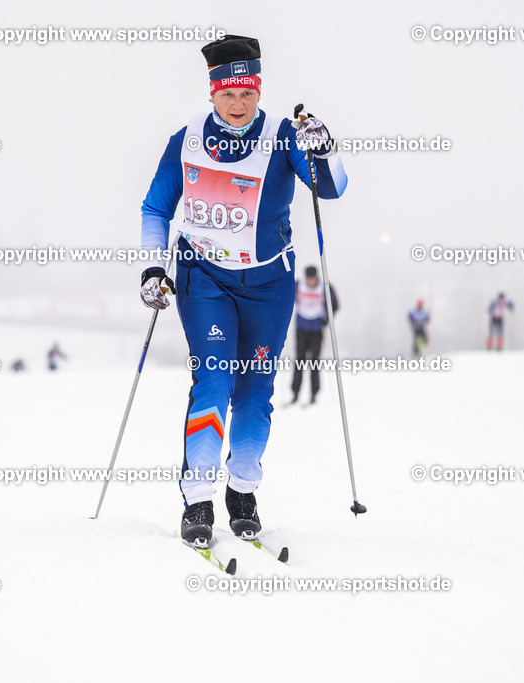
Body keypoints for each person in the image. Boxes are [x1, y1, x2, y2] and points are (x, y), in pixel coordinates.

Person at [138, 34, 347, 547]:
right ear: (212, 93)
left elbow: (331, 187)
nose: (237, 103)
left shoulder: (283, 136)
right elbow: (155, 208)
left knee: (255, 391)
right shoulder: (185, 140)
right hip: (203, 276)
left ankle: (242, 489)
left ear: (259, 90)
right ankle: (199, 499)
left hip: (269, 282)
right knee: (213, 380)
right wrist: (151, 267)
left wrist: (326, 150)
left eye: (247, 93)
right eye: (227, 94)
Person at [290, 265, 338, 404]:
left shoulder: (325, 287)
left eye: (313, 279)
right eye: (309, 279)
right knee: (299, 360)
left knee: (315, 361)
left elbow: (334, 304)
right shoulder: (299, 285)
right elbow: (287, 298)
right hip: (301, 327)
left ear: (317, 277)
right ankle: (295, 393)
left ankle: (314, 393)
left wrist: (327, 318)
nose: (311, 282)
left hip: (317, 329)